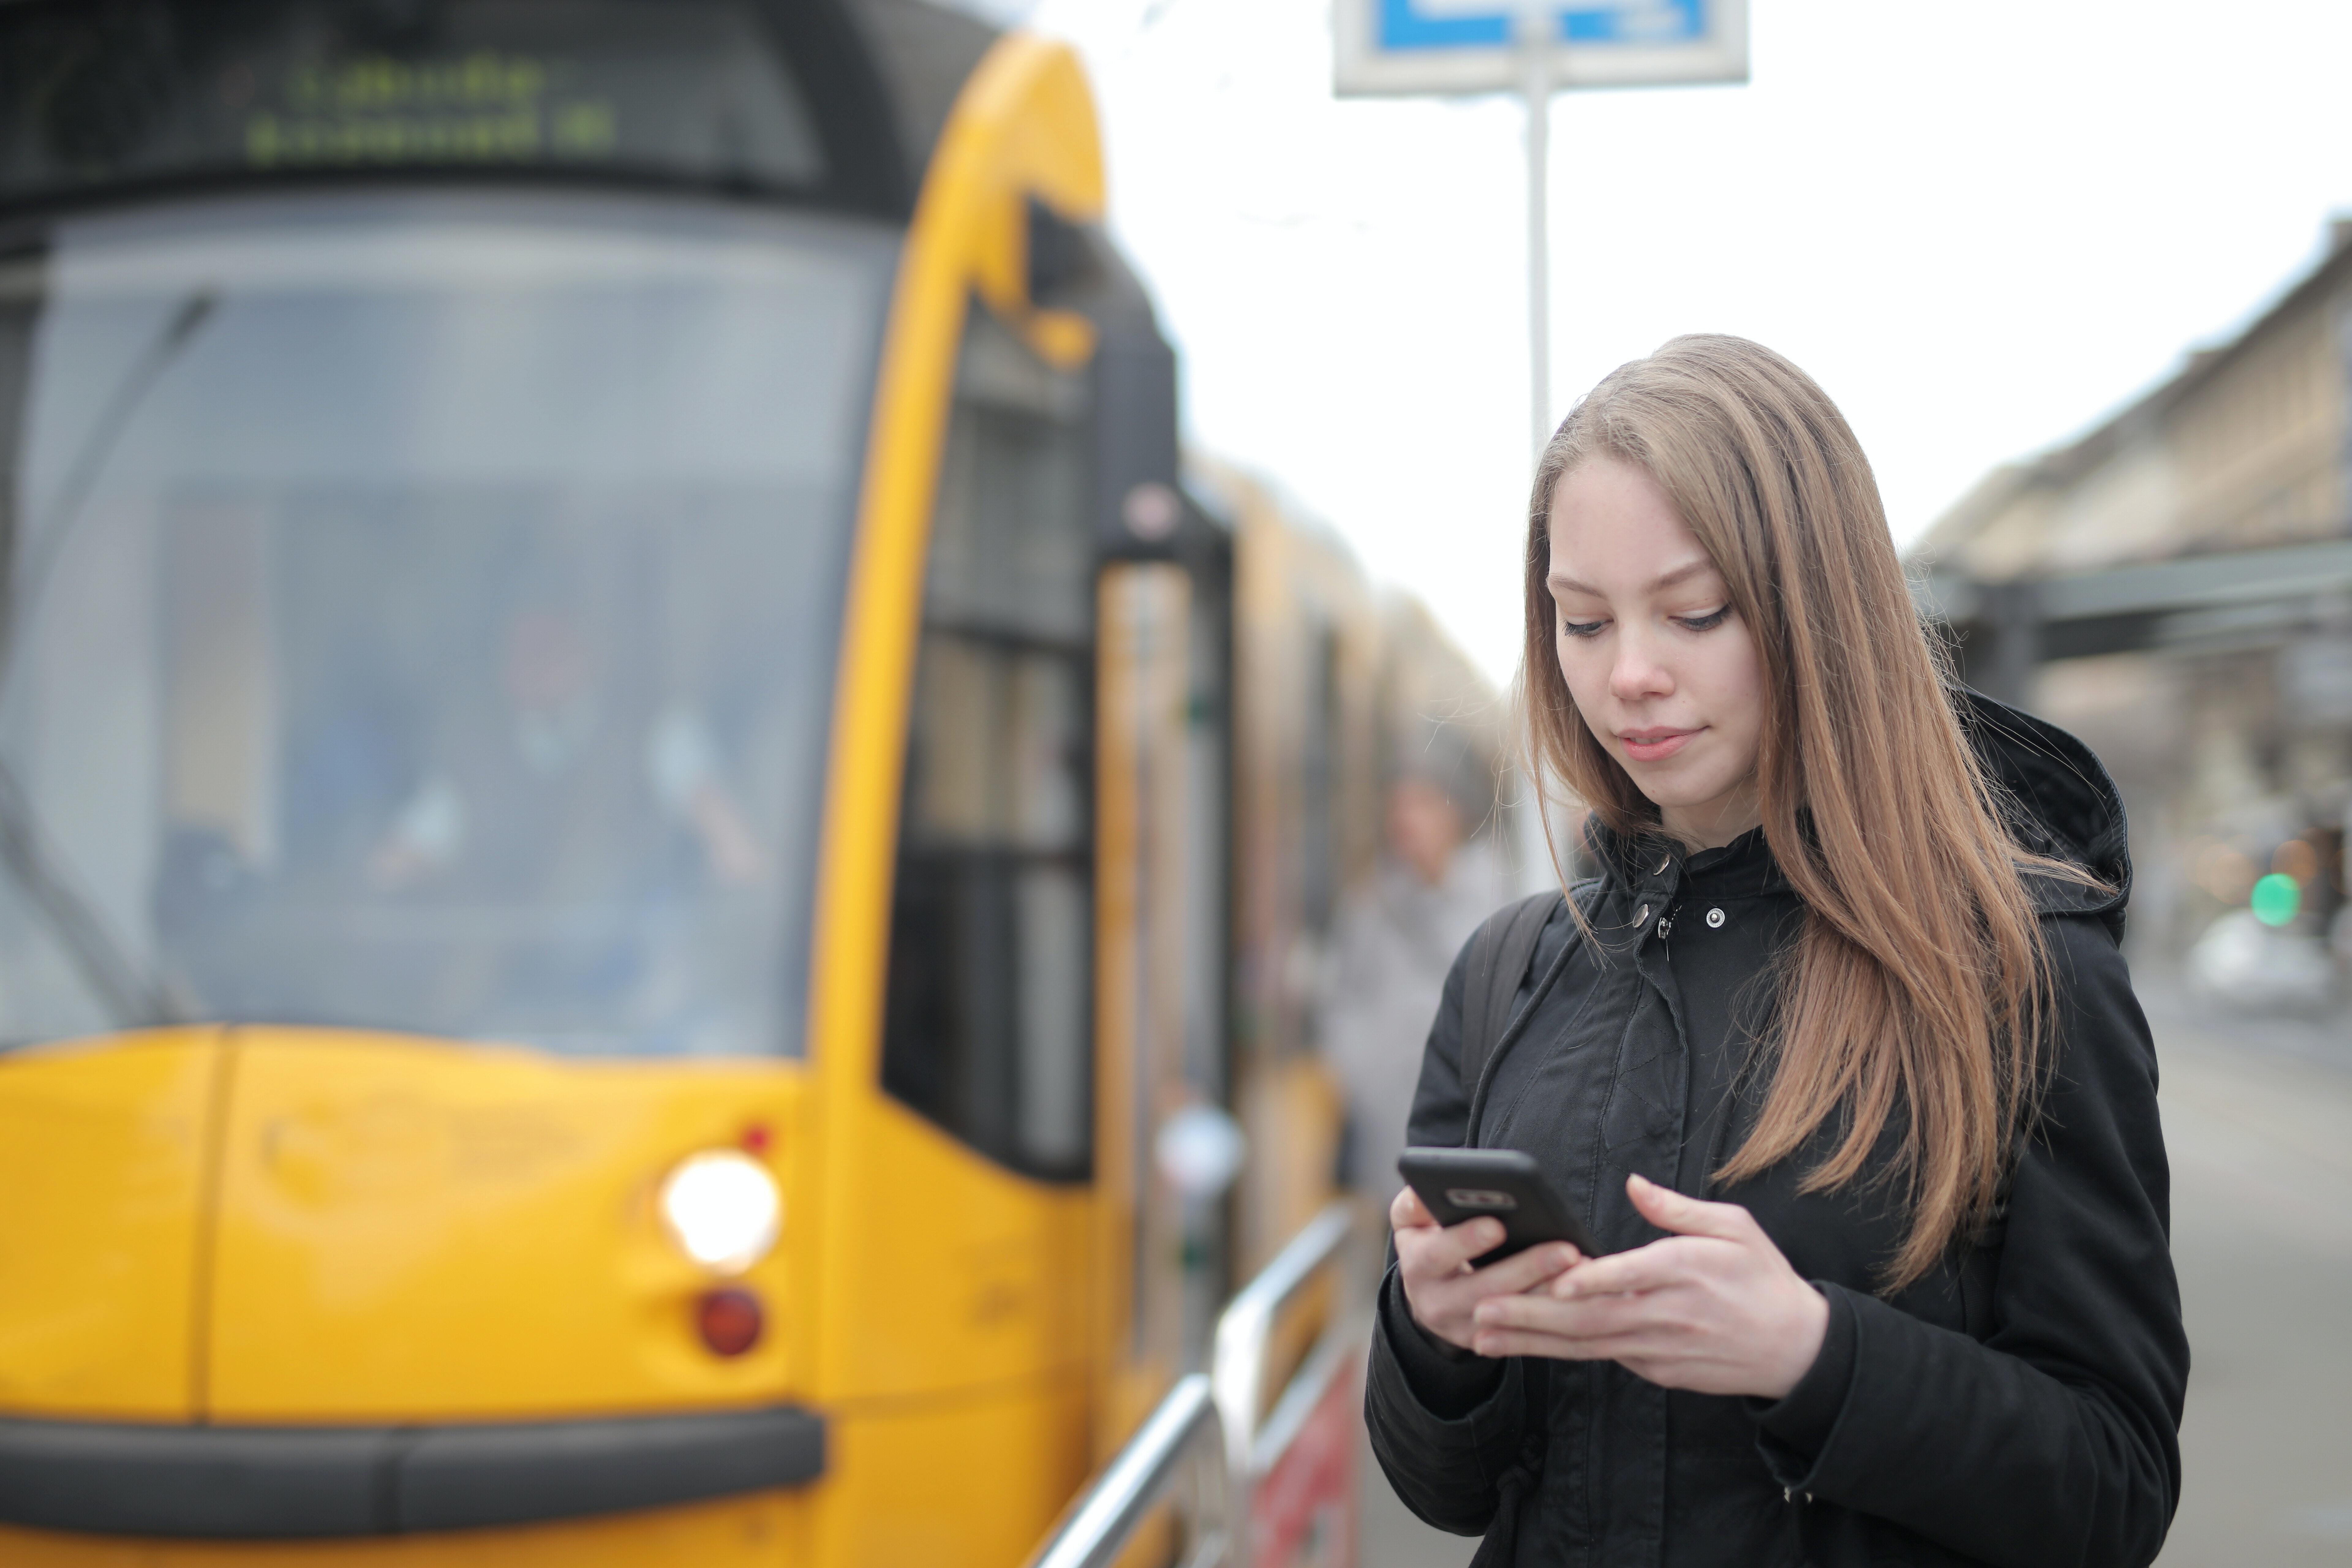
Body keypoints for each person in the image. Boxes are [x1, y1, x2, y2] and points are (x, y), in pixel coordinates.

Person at [1366, 336, 2187, 1567]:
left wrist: (1812, 1354)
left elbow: (2114, 1487)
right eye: (1583, 621)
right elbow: (1447, 1488)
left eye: (1695, 611)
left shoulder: (2020, 971)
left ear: (1820, 605)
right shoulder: (1509, 973)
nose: (1630, 674)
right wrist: (1435, 1334)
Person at [1321, 770, 1512, 1205]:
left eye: (1423, 805)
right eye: (1400, 807)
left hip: (1475, 1115)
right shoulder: (1369, 901)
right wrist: (1361, 1075)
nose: (1408, 820)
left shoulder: (1498, 892)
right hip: (1390, 1118)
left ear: (1454, 814)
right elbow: (1342, 997)